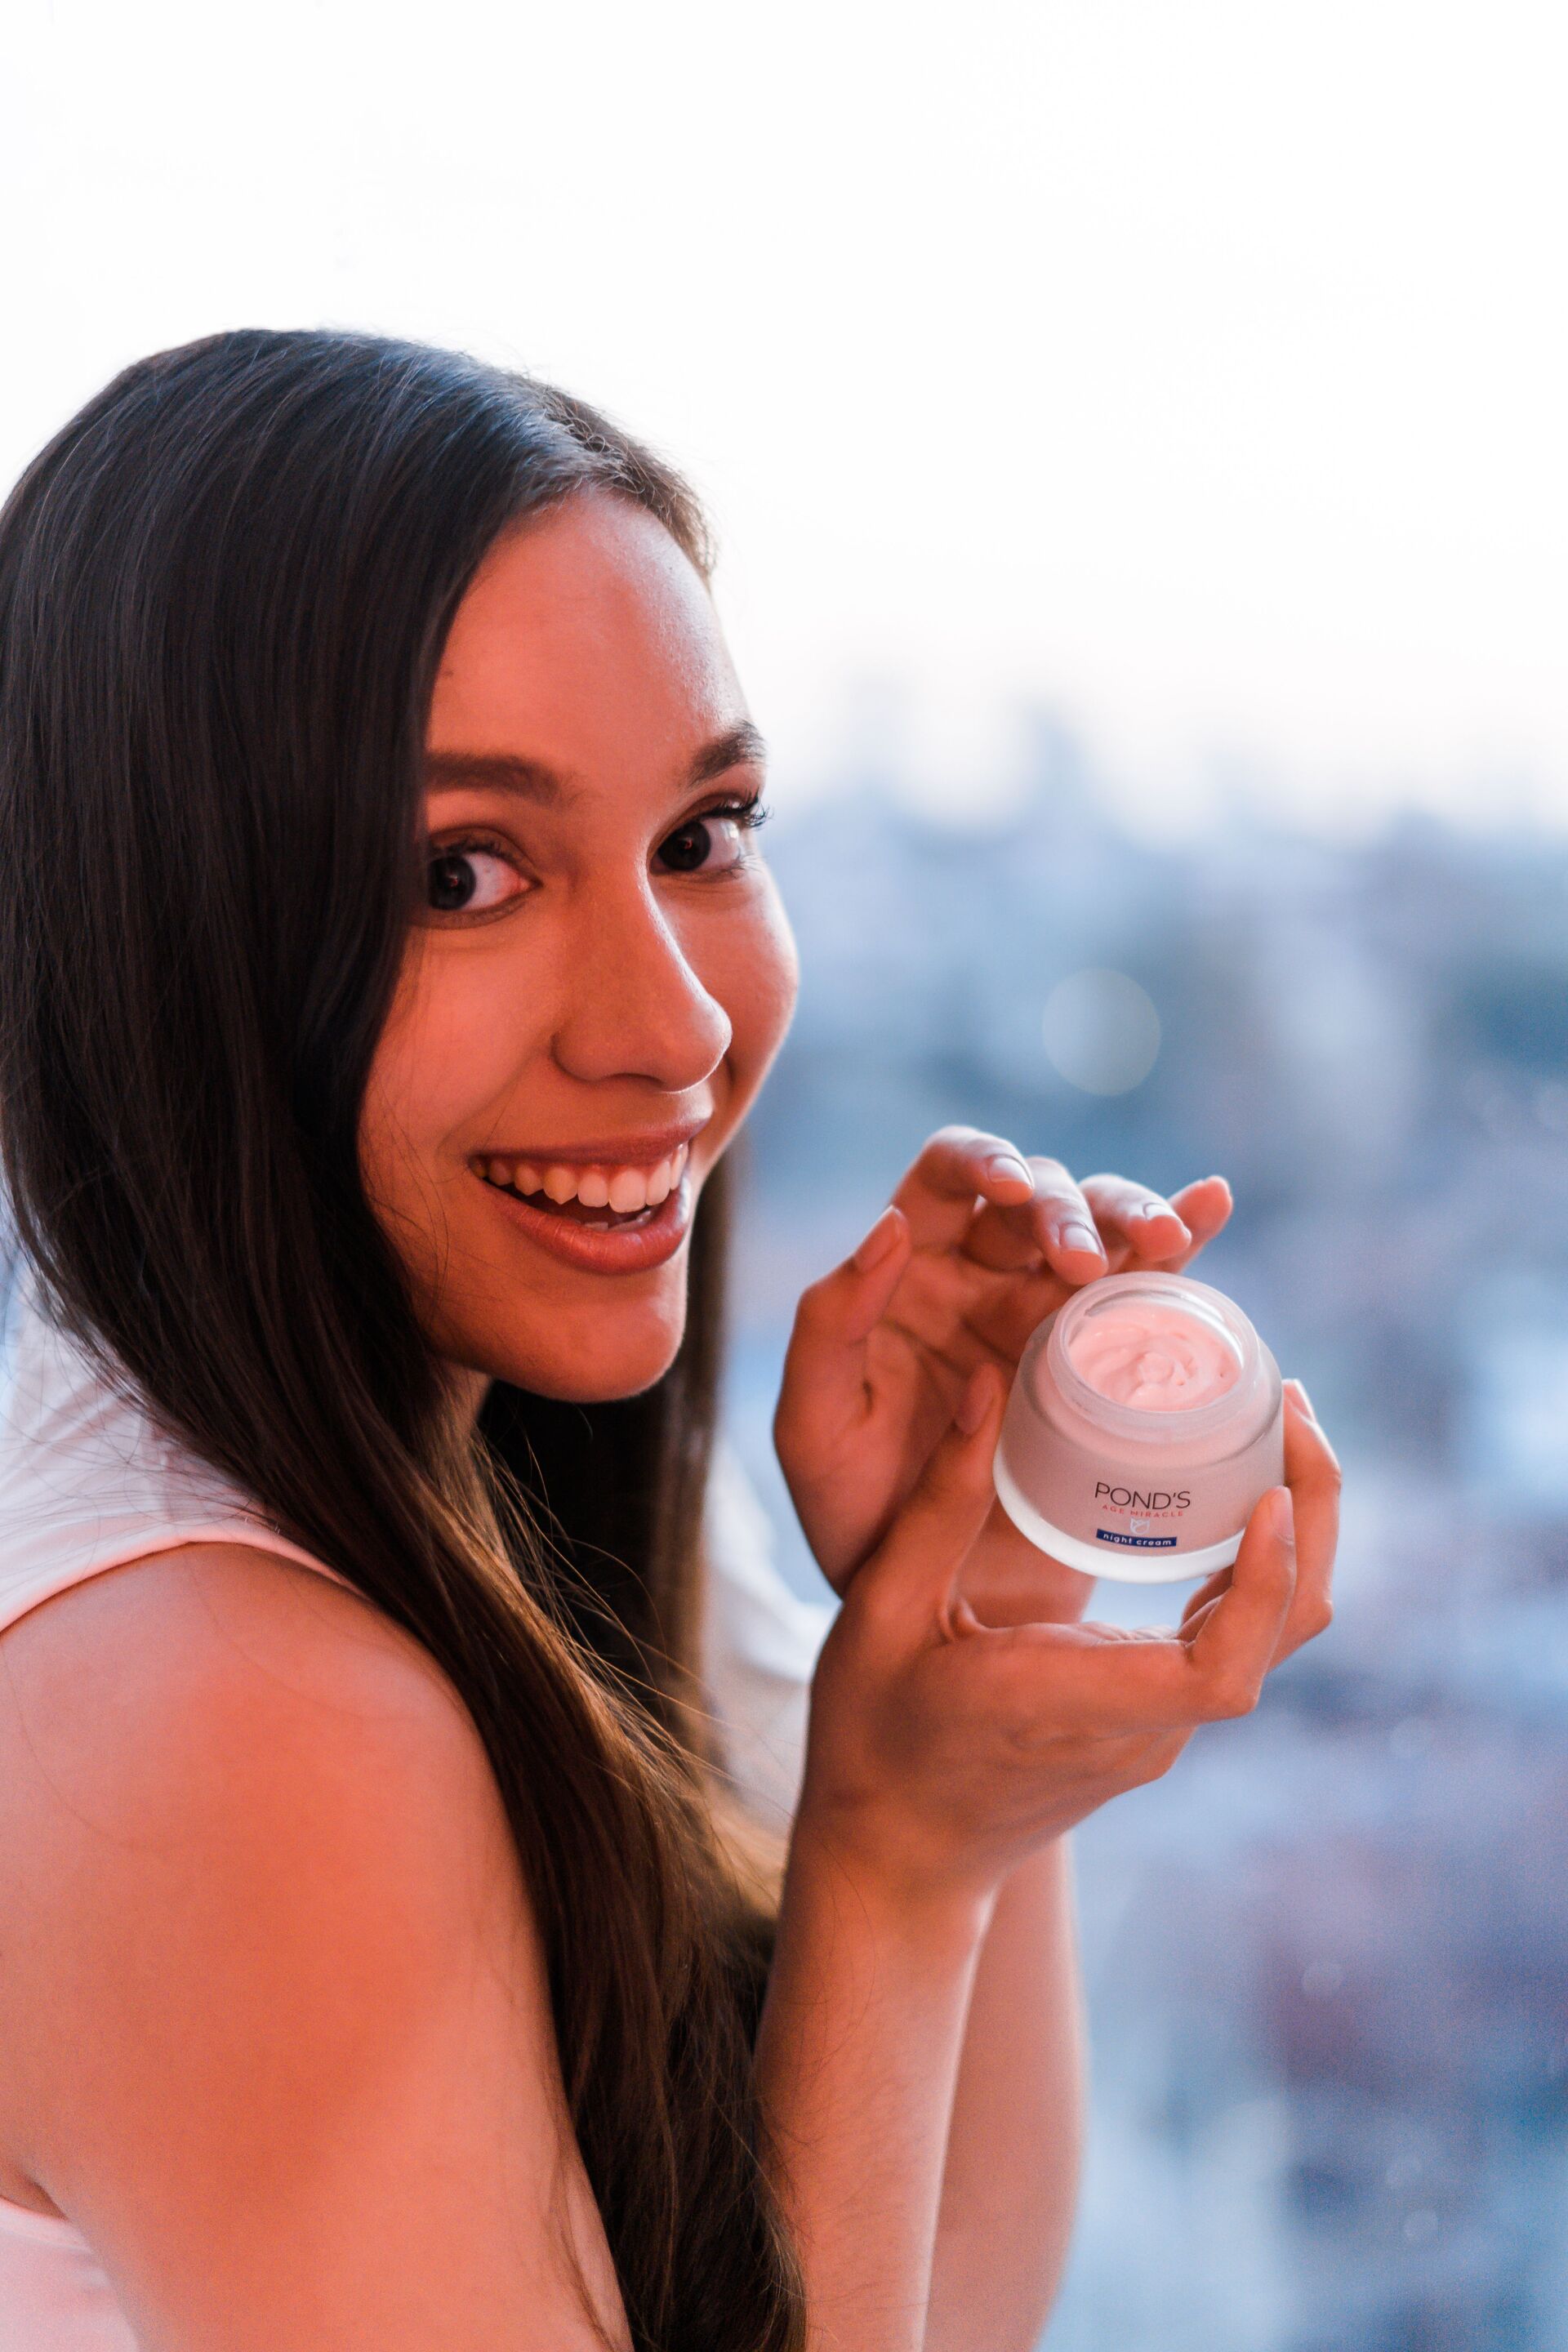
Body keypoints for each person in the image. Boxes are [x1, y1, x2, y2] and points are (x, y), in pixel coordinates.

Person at [0, 330, 1340, 2352]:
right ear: (163, 939)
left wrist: (973, 1666)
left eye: (706, 833)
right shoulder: (228, 1714)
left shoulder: (495, 1515)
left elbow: (939, 2302)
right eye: (465, 874)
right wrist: (880, 1868)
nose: (676, 1027)